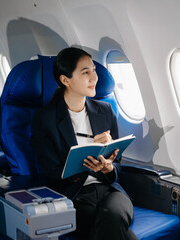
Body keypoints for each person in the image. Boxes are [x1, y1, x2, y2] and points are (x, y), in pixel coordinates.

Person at [31, 47, 137, 240]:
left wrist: (108, 168)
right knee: (120, 231)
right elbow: (52, 174)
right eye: (85, 72)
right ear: (65, 80)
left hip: (111, 191)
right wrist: (87, 163)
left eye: (94, 70)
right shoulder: (45, 119)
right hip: (75, 196)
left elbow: (117, 165)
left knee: (113, 213)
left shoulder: (105, 111)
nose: (94, 78)